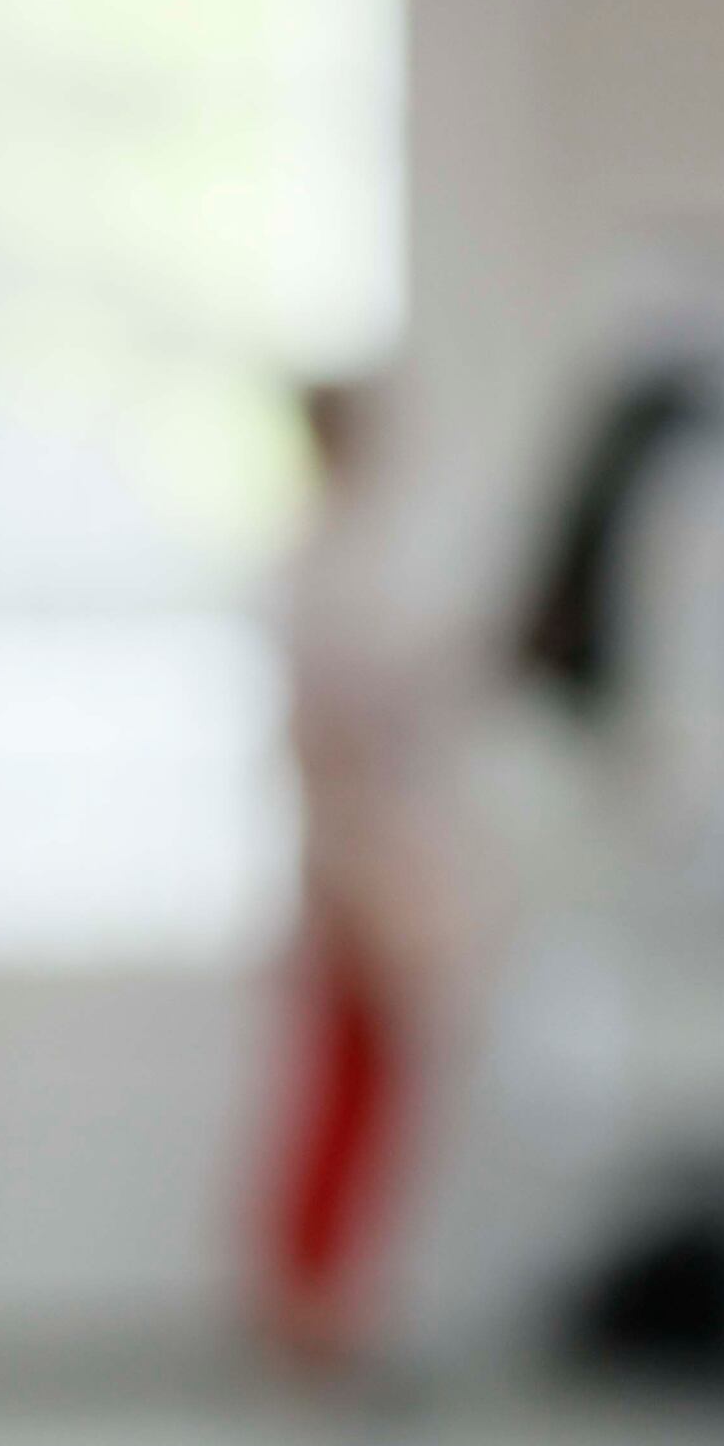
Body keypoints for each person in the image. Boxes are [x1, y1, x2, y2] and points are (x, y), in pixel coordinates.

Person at [259, 380, 464, 1374]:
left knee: (367, 1085)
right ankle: (316, 1315)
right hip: (355, 856)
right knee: (347, 1086)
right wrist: (351, 866)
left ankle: (337, 1304)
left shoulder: (349, 556)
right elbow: (333, 730)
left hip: (367, 848)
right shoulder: (328, 567)